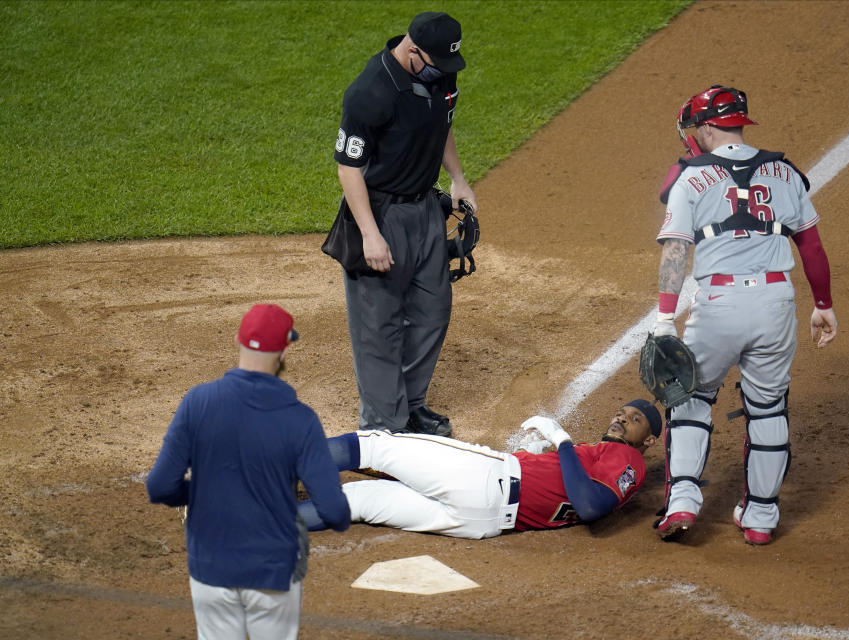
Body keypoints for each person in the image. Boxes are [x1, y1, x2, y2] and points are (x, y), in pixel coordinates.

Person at [652, 85, 839, 545]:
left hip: (719, 305)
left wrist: (663, 321)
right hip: (776, 304)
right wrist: (823, 305)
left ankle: (683, 503)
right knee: (768, 405)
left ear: (710, 127)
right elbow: (811, 246)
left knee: (689, 396)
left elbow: (677, 249)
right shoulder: (785, 172)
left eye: (698, 127)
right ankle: (760, 519)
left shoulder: (690, 177)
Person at [146, 304, 350, 640]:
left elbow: (159, 486)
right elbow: (333, 509)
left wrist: (198, 493)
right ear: (284, 350)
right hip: (272, 569)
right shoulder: (301, 420)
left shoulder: (197, 402)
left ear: (236, 341)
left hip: (211, 564)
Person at [332, 11, 478, 438]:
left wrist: (458, 177)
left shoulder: (439, 75)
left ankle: (410, 406)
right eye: (435, 63)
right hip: (380, 213)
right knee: (379, 324)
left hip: (425, 212)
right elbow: (348, 167)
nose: (442, 73)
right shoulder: (371, 91)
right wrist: (370, 235)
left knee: (433, 310)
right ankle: (382, 429)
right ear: (412, 50)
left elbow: (442, 122)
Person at [296, 399, 662, 539]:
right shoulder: (600, 458)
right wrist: (538, 455)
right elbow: (573, 489)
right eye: (621, 413)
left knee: (373, 445)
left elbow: (590, 506)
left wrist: (562, 440)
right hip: (481, 522)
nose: (622, 419)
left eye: (636, 420)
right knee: (357, 501)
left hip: (485, 479)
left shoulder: (627, 459)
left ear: (648, 441)